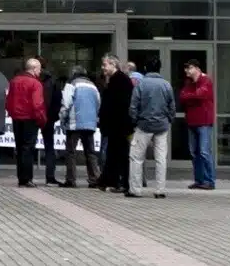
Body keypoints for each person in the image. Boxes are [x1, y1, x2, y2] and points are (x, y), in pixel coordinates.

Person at [127, 66, 175, 197]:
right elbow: (172, 106)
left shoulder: (141, 84)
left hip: (144, 125)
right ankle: (160, 190)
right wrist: (169, 120)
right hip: (162, 126)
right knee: (161, 159)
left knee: (136, 158)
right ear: (159, 68)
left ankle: (135, 189)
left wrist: (135, 121)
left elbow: (134, 106)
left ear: (145, 68)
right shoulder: (166, 85)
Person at [92, 56, 135, 193]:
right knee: (114, 153)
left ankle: (121, 182)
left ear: (113, 65)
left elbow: (119, 105)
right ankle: (111, 180)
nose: (103, 68)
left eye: (105, 65)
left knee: (120, 154)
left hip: (119, 126)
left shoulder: (120, 80)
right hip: (116, 125)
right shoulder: (116, 80)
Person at [57, 64, 102, 188]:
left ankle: (71, 179)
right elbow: (98, 103)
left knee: (70, 152)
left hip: (74, 123)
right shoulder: (93, 86)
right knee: (90, 152)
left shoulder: (71, 84)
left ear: (73, 73)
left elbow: (66, 103)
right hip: (90, 123)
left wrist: (62, 118)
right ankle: (94, 179)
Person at [5, 59, 47, 188]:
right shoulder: (36, 83)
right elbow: (37, 104)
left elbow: (9, 100)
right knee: (28, 148)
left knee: (19, 148)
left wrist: (12, 113)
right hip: (30, 118)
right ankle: (27, 178)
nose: (40, 71)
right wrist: (42, 120)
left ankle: (21, 178)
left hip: (17, 118)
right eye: (39, 69)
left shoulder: (14, 81)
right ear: (34, 69)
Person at [178, 60, 216, 190]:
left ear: (197, 69)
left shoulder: (206, 81)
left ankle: (209, 181)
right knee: (194, 153)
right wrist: (192, 97)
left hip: (204, 122)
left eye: (189, 68)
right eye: (186, 68)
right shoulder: (188, 82)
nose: (186, 71)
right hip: (192, 121)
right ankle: (199, 180)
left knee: (204, 152)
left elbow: (201, 95)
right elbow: (182, 97)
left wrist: (190, 96)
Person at [40, 63, 65, 185]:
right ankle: (50, 177)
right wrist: (54, 118)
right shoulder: (54, 83)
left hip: (36, 117)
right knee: (49, 147)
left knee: (26, 147)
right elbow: (58, 102)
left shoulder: (37, 82)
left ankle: (25, 178)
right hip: (48, 119)